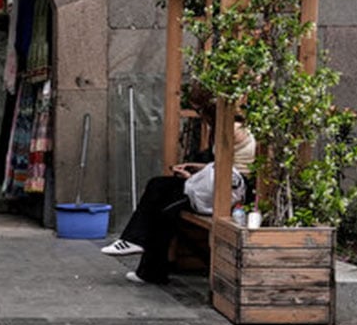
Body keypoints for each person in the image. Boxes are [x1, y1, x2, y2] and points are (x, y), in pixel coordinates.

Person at [103, 122, 256, 284]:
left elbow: (226, 172)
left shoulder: (231, 127)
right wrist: (196, 168)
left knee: (162, 204)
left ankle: (140, 253)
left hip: (222, 192)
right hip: (215, 186)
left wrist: (192, 178)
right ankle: (137, 247)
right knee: (159, 192)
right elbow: (223, 166)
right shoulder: (237, 128)